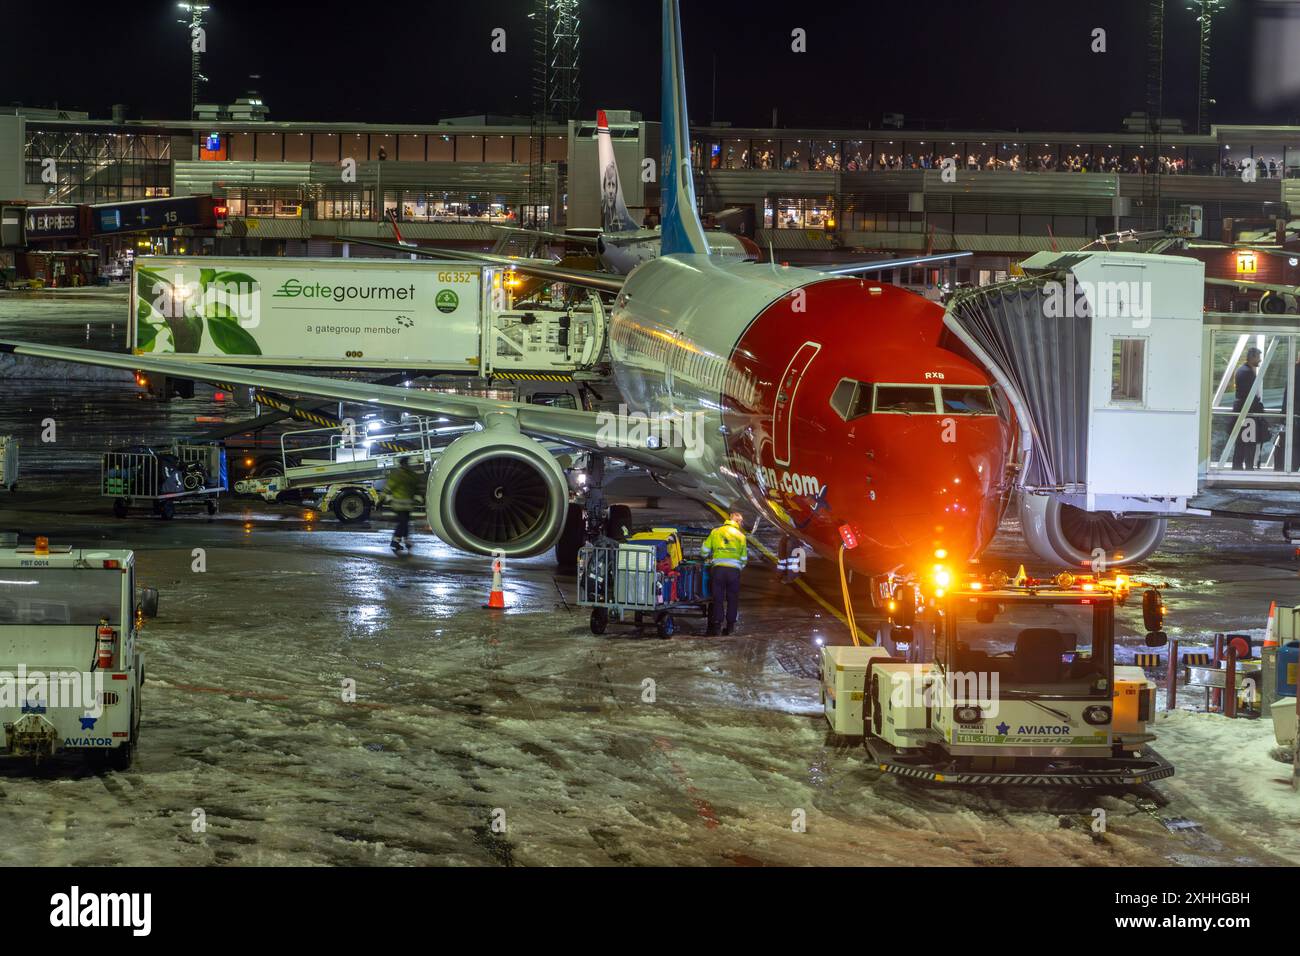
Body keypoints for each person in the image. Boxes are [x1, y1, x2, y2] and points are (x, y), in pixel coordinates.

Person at [702, 511, 748, 636]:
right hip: (734, 572)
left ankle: (717, 625)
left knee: (718, 598)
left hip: (718, 570)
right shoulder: (741, 536)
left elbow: (704, 550)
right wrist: (739, 567)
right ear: (739, 522)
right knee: (732, 599)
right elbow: (744, 558)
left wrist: (706, 558)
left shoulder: (716, 532)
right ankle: (730, 627)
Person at [1232, 348, 1266, 470]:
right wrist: (1259, 408)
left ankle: (1238, 467)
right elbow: (1248, 395)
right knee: (1248, 443)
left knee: (1241, 442)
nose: (1260, 360)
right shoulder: (1247, 372)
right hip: (1246, 413)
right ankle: (1247, 468)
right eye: (1258, 357)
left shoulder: (1244, 371)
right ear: (1252, 357)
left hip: (1243, 412)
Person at [384, 457, 422, 551]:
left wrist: (383, 499)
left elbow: (388, 488)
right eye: (406, 463)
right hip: (401, 505)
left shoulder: (398, 475)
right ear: (403, 464)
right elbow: (417, 487)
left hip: (402, 505)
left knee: (404, 523)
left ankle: (403, 541)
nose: (407, 465)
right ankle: (397, 542)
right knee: (403, 523)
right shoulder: (410, 475)